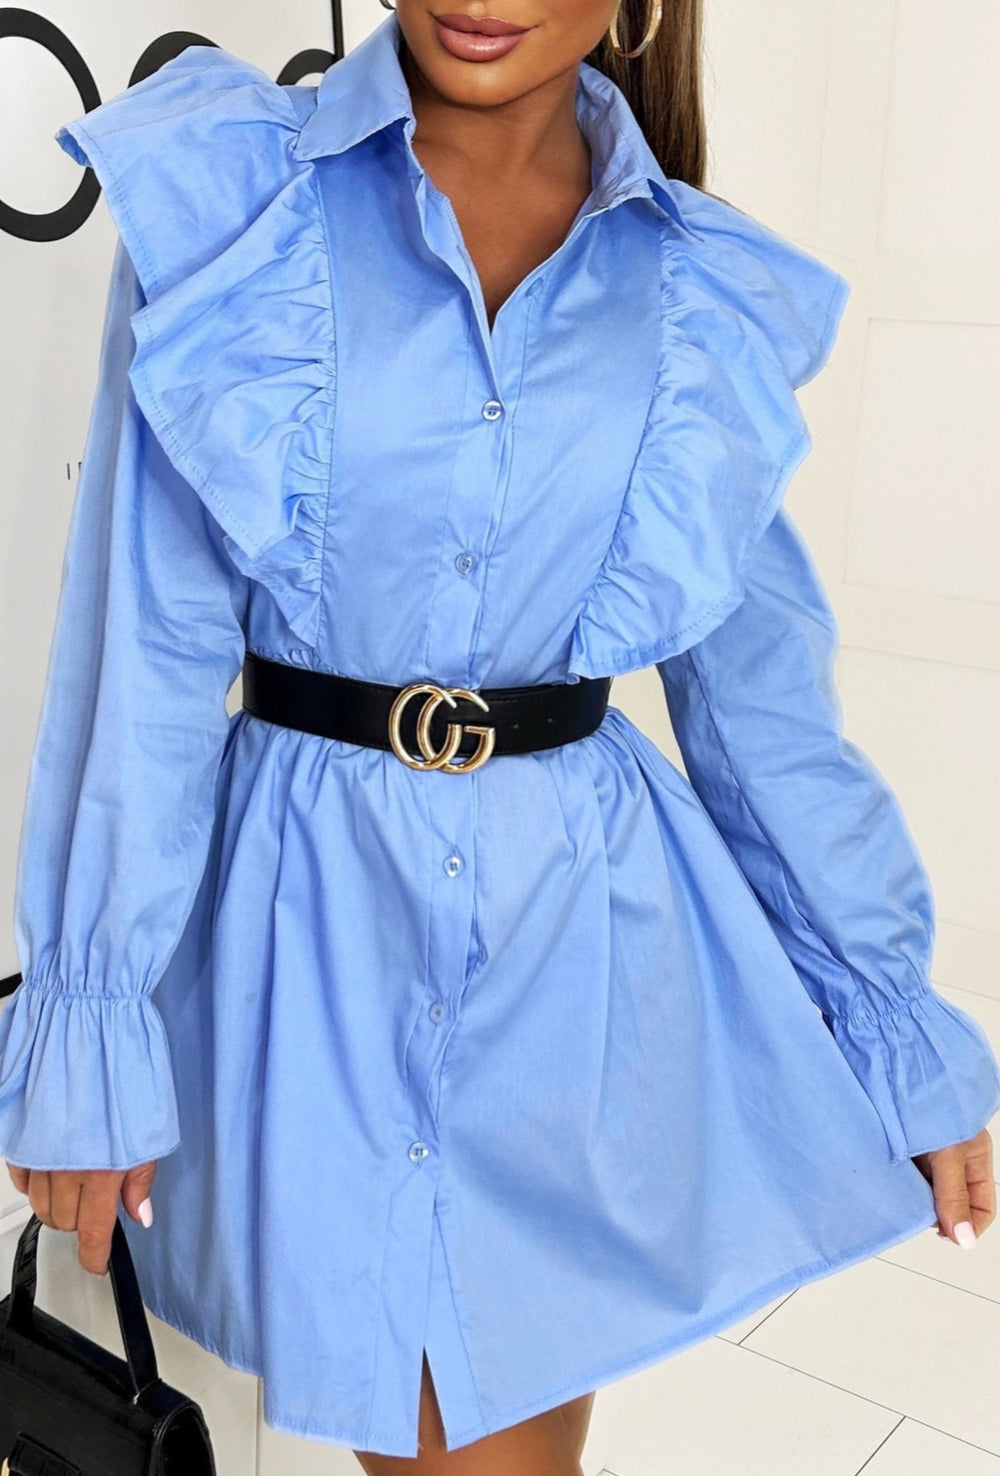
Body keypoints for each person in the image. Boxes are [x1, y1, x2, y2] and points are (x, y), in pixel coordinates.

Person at [0, 2, 997, 1472]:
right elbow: (140, 652)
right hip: (315, 941)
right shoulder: (237, 200)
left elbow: (761, 709)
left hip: (575, 959)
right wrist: (90, 1017)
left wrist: (892, 1019)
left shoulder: (694, 291)